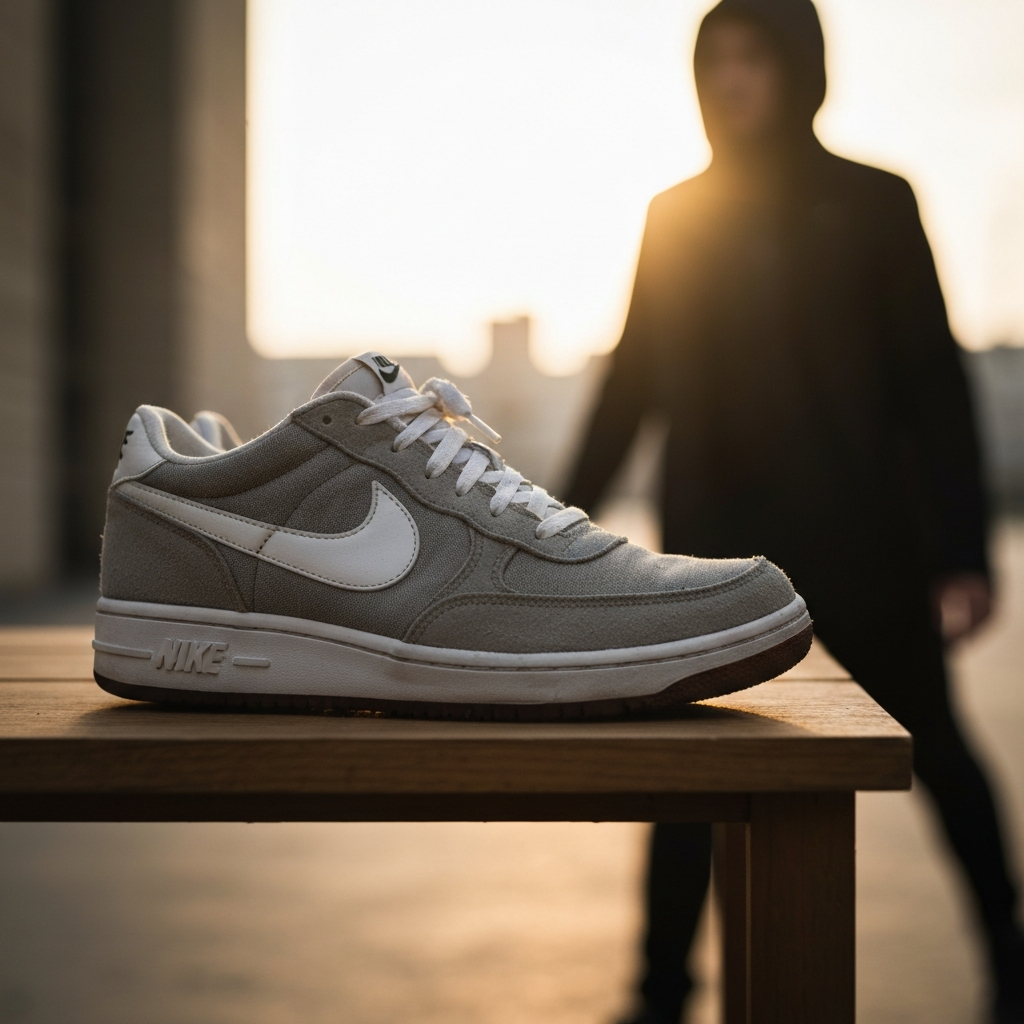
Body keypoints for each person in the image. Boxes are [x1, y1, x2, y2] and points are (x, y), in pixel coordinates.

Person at [564, 1, 1024, 1021]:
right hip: (714, 560)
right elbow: (628, 383)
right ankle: (659, 994)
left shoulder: (873, 202)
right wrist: (550, 535)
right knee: (687, 780)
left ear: (800, 69)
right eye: (715, 59)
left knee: (934, 749)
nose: (733, 79)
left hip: (865, 546)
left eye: (753, 57)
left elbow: (932, 384)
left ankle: (1011, 955)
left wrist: (963, 549)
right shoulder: (673, 214)